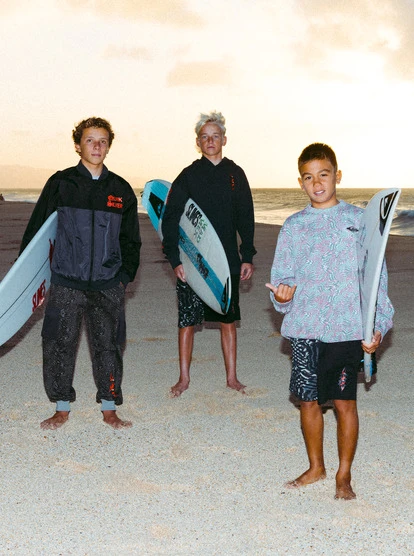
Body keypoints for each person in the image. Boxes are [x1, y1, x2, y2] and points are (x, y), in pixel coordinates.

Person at [266, 143, 394, 500]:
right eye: (308, 177)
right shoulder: (293, 226)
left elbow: (376, 282)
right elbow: (281, 280)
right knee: (308, 402)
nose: (317, 183)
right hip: (305, 328)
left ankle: (344, 474)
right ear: (300, 183)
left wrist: (378, 327)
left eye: (323, 174)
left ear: (337, 175)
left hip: (347, 328)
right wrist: (281, 297)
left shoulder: (360, 222)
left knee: (344, 403)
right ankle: (316, 467)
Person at [19, 117, 141, 430]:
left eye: (102, 141)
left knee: (109, 346)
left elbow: (131, 240)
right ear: (78, 145)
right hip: (66, 280)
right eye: (90, 140)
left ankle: (109, 407)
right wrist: (29, 280)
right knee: (58, 343)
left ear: (108, 146)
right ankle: (61, 407)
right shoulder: (61, 184)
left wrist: (124, 276)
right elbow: (36, 233)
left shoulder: (121, 190)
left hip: (107, 282)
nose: (97, 146)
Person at [161, 111, 256, 397]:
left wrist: (247, 255)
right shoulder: (188, 175)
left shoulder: (235, 174)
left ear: (224, 140)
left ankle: (232, 378)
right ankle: (183, 378)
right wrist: (175, 259)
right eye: (205, 137)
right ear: (198, 142)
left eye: (215, 136)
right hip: (192, 260)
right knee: (187, 321)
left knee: (228, 320)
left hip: (226, 260)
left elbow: (246, 217)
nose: (210, 141)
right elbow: (170, 218)